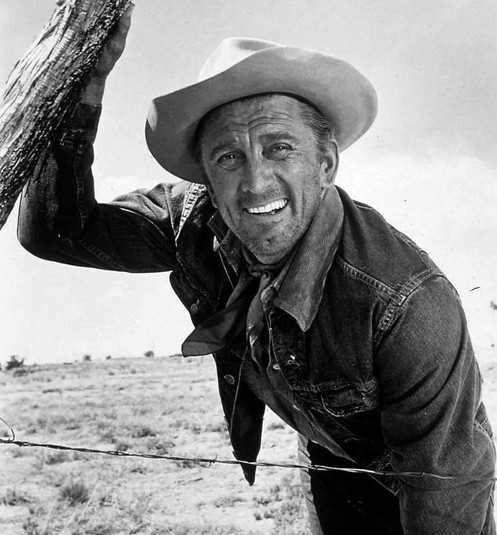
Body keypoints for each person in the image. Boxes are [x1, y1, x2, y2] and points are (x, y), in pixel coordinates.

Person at [17, 8, 495, 535]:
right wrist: (79, 87)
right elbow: (53, 230)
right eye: (228, 158)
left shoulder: (405, 302)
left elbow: (446, 486)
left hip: (431, 477)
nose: (255, 183)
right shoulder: (192, 220)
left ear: (326, 164)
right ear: (205, 178)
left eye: (279, 148)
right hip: (331, 459)